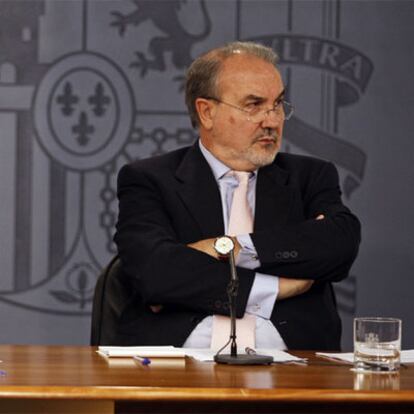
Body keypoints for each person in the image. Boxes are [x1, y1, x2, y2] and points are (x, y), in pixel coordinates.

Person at [113, 41, 361, 350]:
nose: (272, 120)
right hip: (176, 362)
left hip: (293, 364)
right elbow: (155, 273)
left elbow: (338, 244)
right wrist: (272, 288)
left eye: (278, 104)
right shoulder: (149, 179)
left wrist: (230, 248)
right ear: (206, 112)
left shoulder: (310, 176)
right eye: (254, 105)